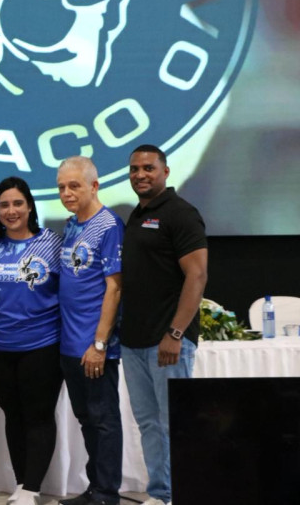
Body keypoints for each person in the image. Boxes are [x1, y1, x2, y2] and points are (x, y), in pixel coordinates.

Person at [120, 145, 208, 505]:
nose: (140, 174)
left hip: (168, 343)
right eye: (134, 169)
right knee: (150, 426)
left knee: (174, 424)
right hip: (133, 343)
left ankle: (180, 493)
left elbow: (197, 275)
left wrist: (174, 334)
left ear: (166, 171)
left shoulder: (181, 214)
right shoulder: (136, 215)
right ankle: (161, 494)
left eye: (148, 168)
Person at [0, 177, 64, 505]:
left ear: (30, 206)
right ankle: (21, 484)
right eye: (4, 205)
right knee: (13, 416)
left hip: (42, 346)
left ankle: (32, 488)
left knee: (39, 416)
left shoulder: (53, 244)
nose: (11, 210)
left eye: (17, 203)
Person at [56, 156, 124, 505]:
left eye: (74, 186)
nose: (67, 193)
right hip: (69, 345)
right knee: (86, 419)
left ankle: (108, 493)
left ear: (94, 186)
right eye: (62, 187)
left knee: (103, 420)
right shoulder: (71, 225)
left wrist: (99, 343)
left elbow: (114, 288)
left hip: (93, 347)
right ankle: (95, 487)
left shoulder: (109, 225)